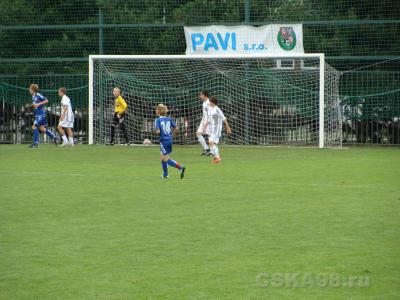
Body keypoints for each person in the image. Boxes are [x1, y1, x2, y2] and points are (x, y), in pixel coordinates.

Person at [154, 104, 186, 179]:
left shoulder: (157, 120)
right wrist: (172, 136)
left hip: (163, 141)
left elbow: (158, 132)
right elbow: (177, 128)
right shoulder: (169, 119)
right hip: (169, 139)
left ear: (158, 111)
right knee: (162, 157)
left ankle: (180, 168)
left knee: (166, 158)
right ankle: (165, 174)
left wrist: (157, 131)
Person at [203, 96, 232, 163]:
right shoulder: (211, 109)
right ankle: (216, 158)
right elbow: (210, 119)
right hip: (213, 129)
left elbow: (224, 118)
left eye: (210, 101)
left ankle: (217, 157)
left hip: (217, 129)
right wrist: (205, 125)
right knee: (213, 144)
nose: (209, 102)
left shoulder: (217, 109)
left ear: (213, 102)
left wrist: (228, 127)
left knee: (211, 142)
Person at [29, 84, 57, 148]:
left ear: (33, 90)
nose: (29, 90)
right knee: (42, 129)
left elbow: (46, 101)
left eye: (30, 89)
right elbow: (35, 105)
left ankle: (35, 144)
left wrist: (39, 104)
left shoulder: (38, 95)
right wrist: (31, 106)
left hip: (41, 114)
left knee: (34, 127)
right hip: (37, 114)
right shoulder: (33, 96)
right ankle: (55, 137)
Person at [196, 91, 211, 156]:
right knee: (198, 133)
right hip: (203, 120)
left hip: (209, 121)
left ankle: (212, 152)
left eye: (201, 95)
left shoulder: (209, 102)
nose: (200, 96)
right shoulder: (204, 103)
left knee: (209, 135)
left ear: (204, 95)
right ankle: (206, 148)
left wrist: (207, 122)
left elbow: (210, 114)